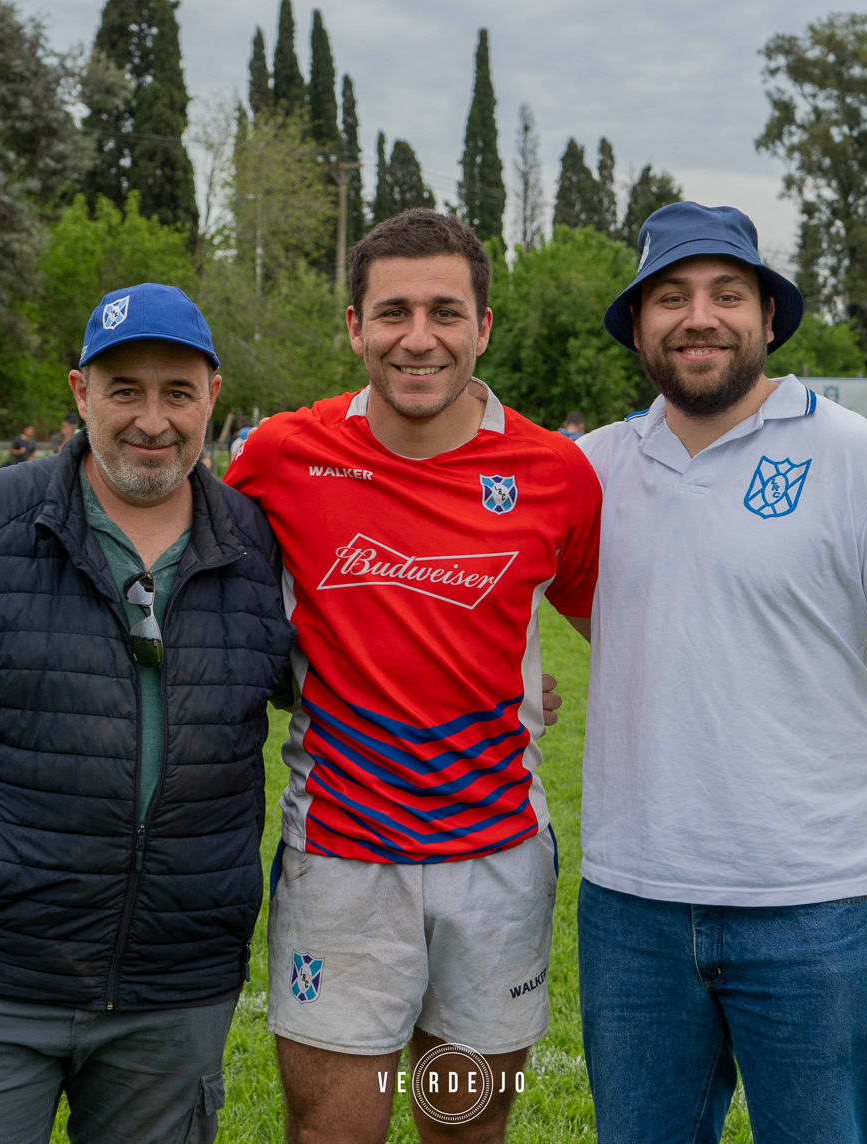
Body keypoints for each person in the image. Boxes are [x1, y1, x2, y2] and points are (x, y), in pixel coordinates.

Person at [575, 203, 867, 1144]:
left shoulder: (862, 461)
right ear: (638, 325)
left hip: (817, 907)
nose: (699, 317)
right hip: (632, 910)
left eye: (727, 294)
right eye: (670, 298)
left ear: (768, 318)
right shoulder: (589, 471)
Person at [0, 283, 295, 1144]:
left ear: (212, 398)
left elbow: (349, 686)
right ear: (80, 393)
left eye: (177, 393)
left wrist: (506, 685)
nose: (152, 420)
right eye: (125, 391)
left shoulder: (260, 544)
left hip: (176, 987)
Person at [224, 209, 601, 1144]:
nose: (419, 337)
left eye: (445, 311)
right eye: (393, 312)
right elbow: (208, 598)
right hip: (341, 861)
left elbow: (625, 636)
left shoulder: (554, 473)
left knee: (463, 1130)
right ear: (356, 326)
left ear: (484, 327)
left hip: (497, 864)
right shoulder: (282, 454)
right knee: (334, 1133)